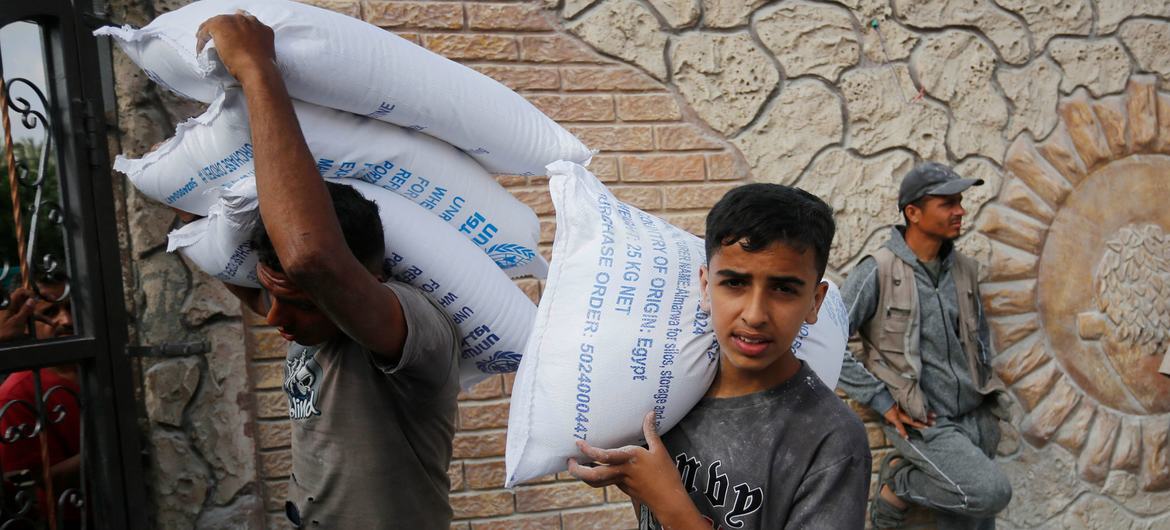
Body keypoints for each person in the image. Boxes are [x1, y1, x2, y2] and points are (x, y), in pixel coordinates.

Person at [196, 14, 461, 528]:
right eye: (277, 298)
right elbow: (280, 278)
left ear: (368, 279)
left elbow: (311, 260)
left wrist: (257, 68)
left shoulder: (414, 329)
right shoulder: (313, 322)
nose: (276, 320)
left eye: (299, 303)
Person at [568, 184, 871, 529]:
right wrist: (637, 484)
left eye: (783, 289)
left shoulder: (831, 439)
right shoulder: (670, 395)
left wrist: (672, 507)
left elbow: (666, 507)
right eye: (735, 283)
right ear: (705, 286)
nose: (755, 314)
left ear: (815, 301)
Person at [838, 162, 1013, 529]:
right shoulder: (878, 269)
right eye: (948, 203)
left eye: (960, 201)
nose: (960, 211)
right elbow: (829, 342)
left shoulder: (964, 269)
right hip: (925, 423)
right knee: (989, 493)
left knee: (973, 520)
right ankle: (900, 483)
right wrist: (882, 402)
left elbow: (977, 339)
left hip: (975, 419)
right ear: (913, 213)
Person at [0, 272, 83, 527]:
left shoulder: (106, 363)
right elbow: (44, 480)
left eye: (71, 307)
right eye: (50, 310)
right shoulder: (18, 393)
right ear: (24, 321)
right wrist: (116, 443)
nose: (65, 321)